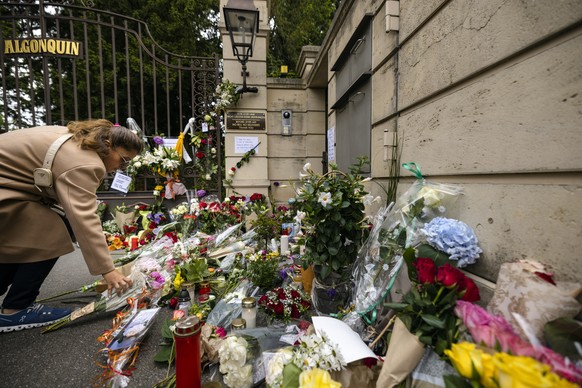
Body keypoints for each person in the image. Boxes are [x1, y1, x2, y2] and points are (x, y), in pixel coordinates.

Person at [0, 119, 144, 332]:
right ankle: (17, 308)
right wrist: (108, 270)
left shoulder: (78, 140)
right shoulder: (87, 162)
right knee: (52, 231)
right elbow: (84, 218)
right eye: (123, 160)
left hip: (10, 188)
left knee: (36, 231)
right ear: (107, 143)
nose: (121, 167)